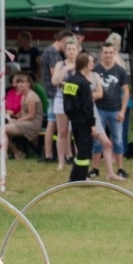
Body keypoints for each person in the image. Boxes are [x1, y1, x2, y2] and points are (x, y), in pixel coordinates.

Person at [92, 42, 131, 178]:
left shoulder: (120, 70)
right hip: (99, 109)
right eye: (105, 52)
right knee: (97, 139)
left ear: (114, 53)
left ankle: (120, 168)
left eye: (110, 52)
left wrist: (123, 111)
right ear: (101, 54)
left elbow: (126, 91)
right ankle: (95, 168)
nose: (108, 55)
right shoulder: (95, 70)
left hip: (115, 109)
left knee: (118, 139)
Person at [38, 30, 73, 163]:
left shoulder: (48, 50)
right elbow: (55, 73)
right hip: (55, 93)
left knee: (55, 125)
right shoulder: (53, 53)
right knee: (53, 123)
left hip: (52, 91)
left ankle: (53, 153)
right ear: (63, 40)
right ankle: (49, 154)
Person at [62, 53, 96, 182]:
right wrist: (92, 124)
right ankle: (81, 178)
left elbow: (68, 104)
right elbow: (88, 106)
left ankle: (75, 177)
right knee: (84, 149)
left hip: (74, 120)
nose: (92, 64)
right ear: (86, 64)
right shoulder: (84, 83)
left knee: (79, 148)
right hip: (84, 121)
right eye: (91, 62)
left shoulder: (70, 81)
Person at [50, 38, 79, 170]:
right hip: (61, 100)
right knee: (62, 132)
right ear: (65, 51)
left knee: (77, 131)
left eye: (74, 49)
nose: (71, 52)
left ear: (78, 50)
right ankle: (61, 161)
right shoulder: (60, 64)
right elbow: (55, 81)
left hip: (77, 101)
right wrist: (66, 68)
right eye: (69, 49)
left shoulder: (81, 63)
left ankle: (79, 159)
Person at [3, 72, 42, 160]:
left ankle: (6, 154)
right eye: (18, 82)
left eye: (22, 82)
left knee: (2, 130)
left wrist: (17, 121)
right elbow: (21, 112)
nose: (19, 84)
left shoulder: (31, 96)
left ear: (28, 84)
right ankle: (16, 152)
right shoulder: (24, 95)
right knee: (0, 131)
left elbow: (31, 115)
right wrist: (11, 118)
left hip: (33, 124)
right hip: (25, 122)